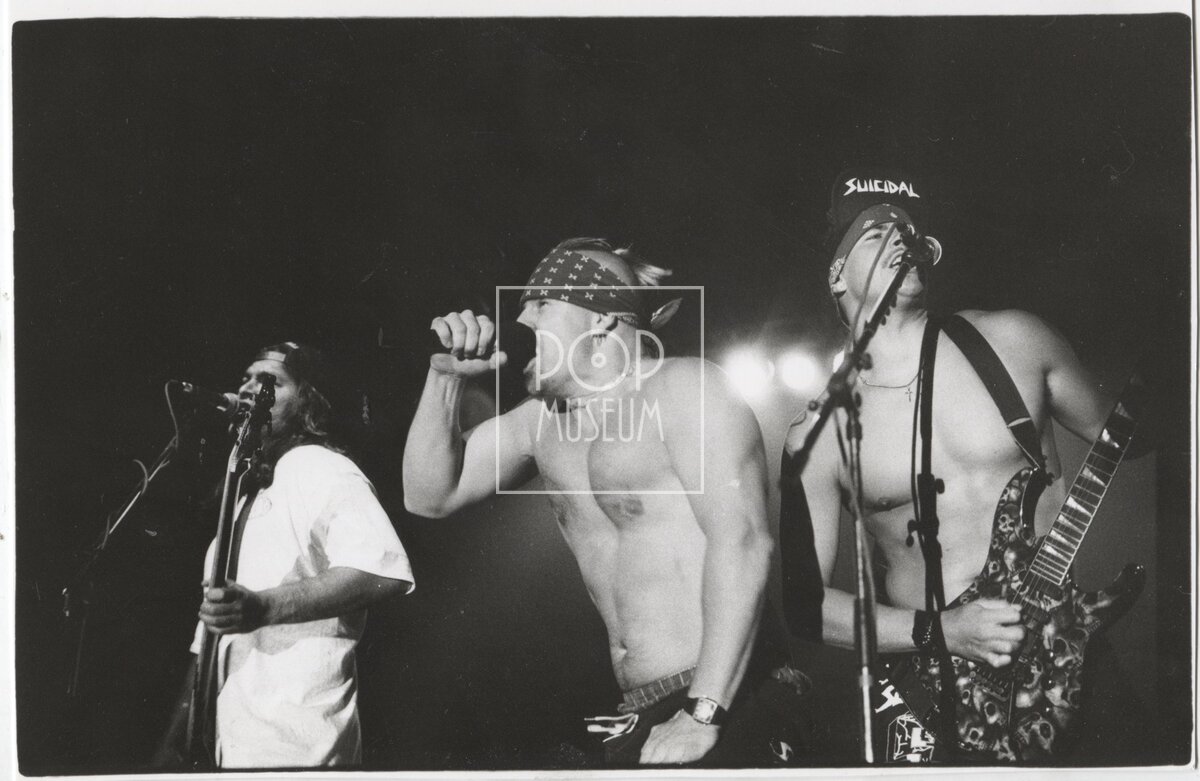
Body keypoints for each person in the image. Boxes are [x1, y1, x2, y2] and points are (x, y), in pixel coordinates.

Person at [782, 167, 1150, 762]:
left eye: (908, 229)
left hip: (1066, 656)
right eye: (875, 233)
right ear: (836, 275)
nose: (900, 238)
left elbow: (1136, 435)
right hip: (932, 687)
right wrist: (945, 631)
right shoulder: (817, 433)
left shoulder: (1016, 341)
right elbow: (804, 605)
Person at [403, 238, 810, 767]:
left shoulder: (684, 387)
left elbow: (745, 540)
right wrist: (445, 379)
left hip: (728, 692)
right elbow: (429, 496)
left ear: (600, 319)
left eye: (541, 303)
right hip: (648, 705)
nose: (521, 318)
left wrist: (704, 711)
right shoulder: (541, 421)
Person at [156, 341, 414, 769]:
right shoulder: (245, 495)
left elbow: (381, 571)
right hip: (229, 745)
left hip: (298, 745)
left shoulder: (321, 466)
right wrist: (173, 742)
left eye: (270, 381)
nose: (248, 389)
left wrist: (264, 607)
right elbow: (209, 635)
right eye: (246, 378)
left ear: (308, 403)